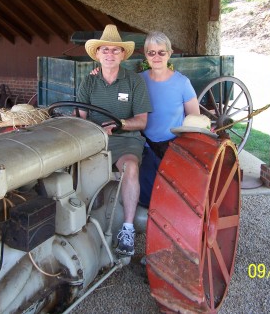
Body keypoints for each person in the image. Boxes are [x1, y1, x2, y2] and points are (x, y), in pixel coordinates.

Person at [76, 24, 152, 256]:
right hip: (94, 138)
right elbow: (81, 117)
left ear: (122, 54)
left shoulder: (134, 82)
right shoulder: (89, 81)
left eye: (115, 50)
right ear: (97, 54)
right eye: (105, 50)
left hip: (125, 139)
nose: (109, 54)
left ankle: (127, 228)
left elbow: (141, 121)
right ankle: (78, 219)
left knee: (130, 168)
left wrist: (120, 124)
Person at [138, 31, 200, 207]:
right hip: (145, 146)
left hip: (172, 147)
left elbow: (194, 118)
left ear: (169, 54)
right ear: (146, 55)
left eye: (161, 52)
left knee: (172, 196)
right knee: (146, 198)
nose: (156, 57)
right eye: (151, 52)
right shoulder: (138, 81)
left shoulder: (182, 83)